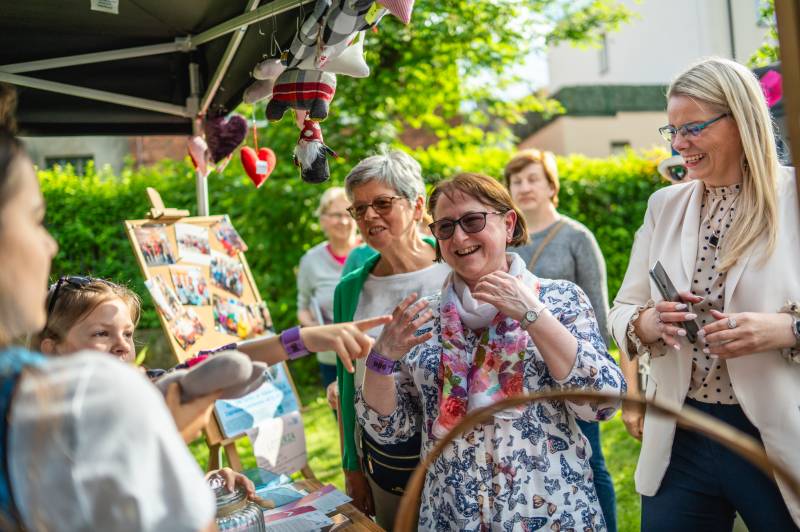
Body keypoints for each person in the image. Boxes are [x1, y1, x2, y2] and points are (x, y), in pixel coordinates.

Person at [0, 127, 391, 530]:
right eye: (33, 219)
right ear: (51, 349)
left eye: (128, 334)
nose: (49, 245)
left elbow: (216, 363)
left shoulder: (123, 386)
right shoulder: (88, 398)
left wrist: (305, 338)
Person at [358, 172, 624, 530]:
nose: (460, 236)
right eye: (446, 227)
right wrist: (381, 360)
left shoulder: (559, 299)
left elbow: (602, 402)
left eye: (472, 220)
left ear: (509, 223)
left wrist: (532, 315)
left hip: (551, 513)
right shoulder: (422, 318)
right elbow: (390, 430)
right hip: (452, 515)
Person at [608, 57, 800, 530]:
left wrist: (786, 329)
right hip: (683, 436)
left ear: (741, 119)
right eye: (670, 130)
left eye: (692, 128)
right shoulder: (664, 206)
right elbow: (622, 309)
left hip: (776, 436)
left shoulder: (794, 199)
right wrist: (646, 323)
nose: (678, 145)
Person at [334, 150, 450, 528]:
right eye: (359, 208)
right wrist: (352, 466)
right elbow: (349, 380)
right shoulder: (350, 289)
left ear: (417, 206)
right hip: (387, 461)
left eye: (382, 203)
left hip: (457, 452)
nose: (369, 216)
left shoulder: (453, 269)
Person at [504, 149, 618, 531]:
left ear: (552, 186)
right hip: (522, 376)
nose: (524, 187)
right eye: (516, 181)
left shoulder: (576, 237)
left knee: (591, 458)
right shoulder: (504, 242)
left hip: (572, 368)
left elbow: (599, 316)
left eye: (532, 178)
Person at [297, 186, 360, 404]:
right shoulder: (310, 260)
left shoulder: (372, 252)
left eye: (348, 214)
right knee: (342, 420)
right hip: (330, 357)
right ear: (323, 220)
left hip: (370, 352)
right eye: (335, 215)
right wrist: (317, 330)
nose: (343, 221)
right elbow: (303, 306)